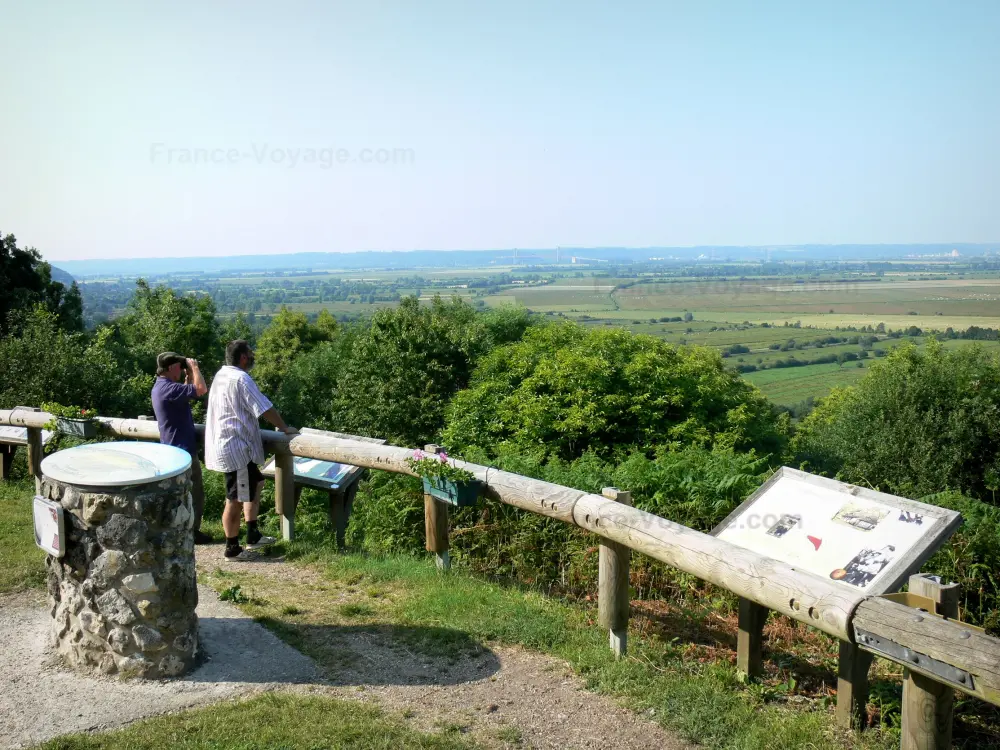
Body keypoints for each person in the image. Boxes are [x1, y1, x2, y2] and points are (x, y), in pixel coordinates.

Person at [205, 339, 298, 560]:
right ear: (244, 357)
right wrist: (284, 428)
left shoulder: (221, 375)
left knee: (256, 482)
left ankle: (253, 534)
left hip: (228, 444)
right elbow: (263, 407)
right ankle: (232, 549)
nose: (253, 356)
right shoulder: (241, 378)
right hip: (236, 447)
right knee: (235, 499)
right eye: (251, 353)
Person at [151, 352, 212, 544]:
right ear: (170, 368)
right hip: (182, 450)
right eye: (179, 366)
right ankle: (193, 532)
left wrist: (187, 380)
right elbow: (201, 390)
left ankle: (178, 529)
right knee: (195, 492)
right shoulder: (168, 388)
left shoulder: (161, 387)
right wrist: (194, 368)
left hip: (172, 447)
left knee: (179, 493)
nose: (181, 368)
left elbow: (183, 396)